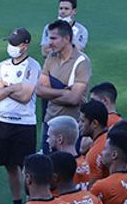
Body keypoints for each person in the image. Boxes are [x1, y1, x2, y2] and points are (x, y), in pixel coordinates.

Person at [0, 28, 42, 204]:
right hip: (2, 122)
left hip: (24, 124)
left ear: (25, 45)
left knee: (26, 167)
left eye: (14, 44)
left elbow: (26, 96)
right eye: (10, 43)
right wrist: (14, 88)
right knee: (10, 165)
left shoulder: (33, 66)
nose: (10, 47)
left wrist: (4, 87)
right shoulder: (2, 66)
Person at [36, 20, 91, 152]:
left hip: (70, 130)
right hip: (49, 125)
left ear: (67, 38)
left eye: (54, 38)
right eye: (49, 38)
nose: (50, 42)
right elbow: (39, 90)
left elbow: (73, 99)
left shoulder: (82, 62)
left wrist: (49, 93)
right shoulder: (51, 57)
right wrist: (63, 92)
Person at [79, 99, 111, 182]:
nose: (79, 125)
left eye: (82, 121)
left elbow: (92, 190)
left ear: (94, 124)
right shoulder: (110, 138)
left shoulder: (94, 153)